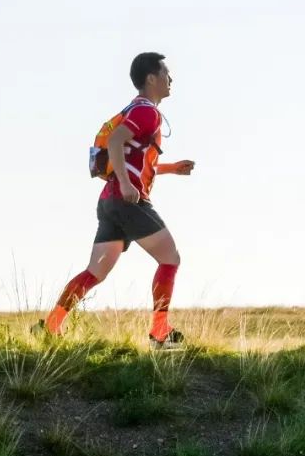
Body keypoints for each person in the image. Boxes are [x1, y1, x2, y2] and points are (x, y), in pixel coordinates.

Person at [41, 53, 195, 349]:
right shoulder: (147, 112)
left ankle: (51, 325)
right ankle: (160, 334)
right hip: (127, 201)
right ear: (151, 78)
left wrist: (170, 168)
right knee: (170, 258)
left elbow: (129, 157)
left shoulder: (135, 110)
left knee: (95, 272)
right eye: (166, 73)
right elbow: (115, 142)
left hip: (111, 201)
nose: (170, 80)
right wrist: (126, 184)